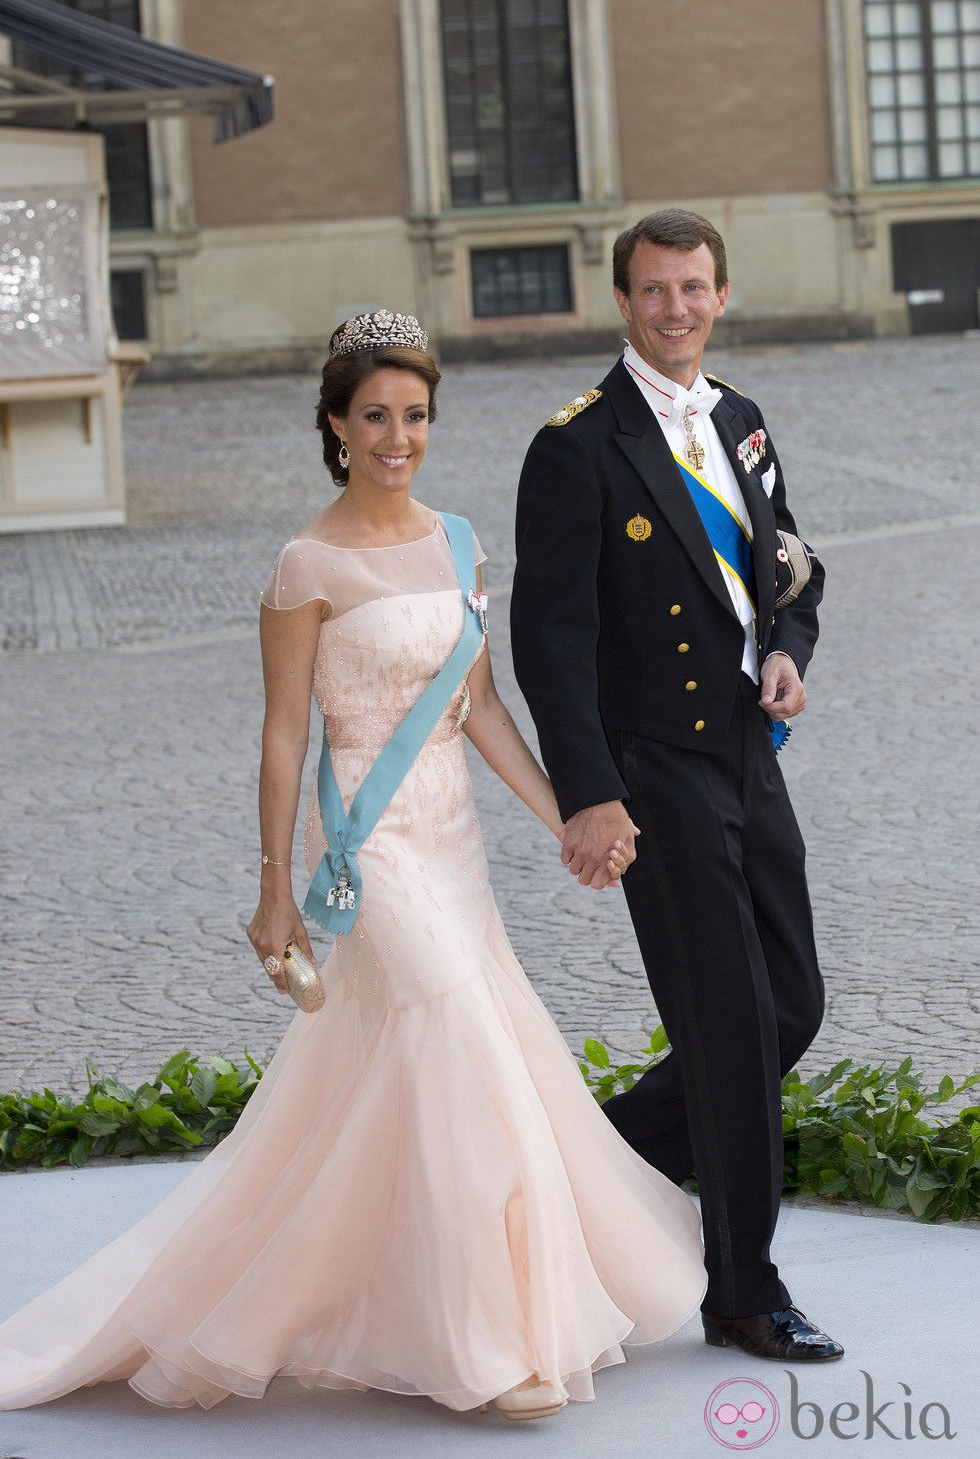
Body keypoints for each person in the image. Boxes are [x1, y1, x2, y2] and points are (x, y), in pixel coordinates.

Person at [0, 309, 707, 1422]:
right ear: (335, 425)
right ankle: (489, 1342)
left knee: (422, 1062)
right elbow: (284, 733)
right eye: (373, 416)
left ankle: (430, 1301)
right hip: (363, 834)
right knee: (459, 1033)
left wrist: (566, 815)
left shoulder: (460, 543)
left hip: (451, 830)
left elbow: (476, 705)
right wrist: (275, 885)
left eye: (414, 415)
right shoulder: (304, 564)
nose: (396, 437)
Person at [510, 211, 844, 1364]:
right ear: (622, 301)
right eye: (653, 290)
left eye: (693, 287)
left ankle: (588, 1169)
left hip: (749, 762)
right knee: (727, 1026)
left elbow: (787, 561)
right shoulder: (578, 446)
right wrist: (588, 795)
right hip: (652, 771)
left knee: (789, 1006)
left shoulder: (739, 422)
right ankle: (740, 1290)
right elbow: (547, 639)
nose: (675, 308)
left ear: (719, 293)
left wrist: (790, 642)